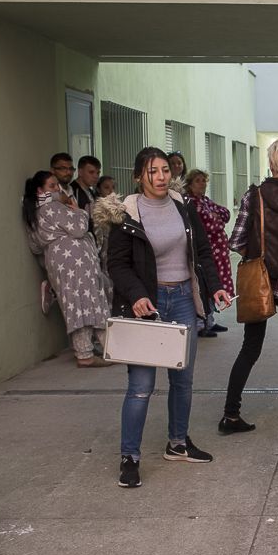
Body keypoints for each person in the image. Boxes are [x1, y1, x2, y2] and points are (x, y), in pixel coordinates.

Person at [104, 147, 230, 488]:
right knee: (141, 386)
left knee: (183, 380)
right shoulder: (126, 213)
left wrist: (215, 287)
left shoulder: (182, 205)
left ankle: (178, 442)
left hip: (183, 300)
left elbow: (201, 251)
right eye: (152, 171)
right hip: (149, 303)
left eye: (164, 170)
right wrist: (138, 295)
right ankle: (129, 456)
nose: (160, 177)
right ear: (138, 176)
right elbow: (116, 264)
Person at [219, 140, 278, 441]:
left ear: (271, 164)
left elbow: (235, 240)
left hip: (260, 281)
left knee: (250, 348)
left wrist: (261, 251)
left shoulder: (255, 196)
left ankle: (230, 414)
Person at [21, 170, 113, 368]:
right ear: (40, 190)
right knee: (92, 302)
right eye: (52, 186)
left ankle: (87, 351)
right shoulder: (52, 207)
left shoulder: (33, 212)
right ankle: (100, 351)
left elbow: (35, 245)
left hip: (57, 262)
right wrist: (77, 209)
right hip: (76, 261)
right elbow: (80, 227)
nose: (57, 189)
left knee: (75, 304)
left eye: (57, 186)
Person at [185, 169, 232, 336]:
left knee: (215, 286)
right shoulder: (191, 203)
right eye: (197, 180)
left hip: (218, 253)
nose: (202, 183)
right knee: (204, 287)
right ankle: (201, 323)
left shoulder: (205, 201)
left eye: (204, 180)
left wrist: (215, 217)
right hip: (206, 252)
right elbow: (210, 226)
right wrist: (215, 219)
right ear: (189, 184)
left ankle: (210, 320)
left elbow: (226, 214)